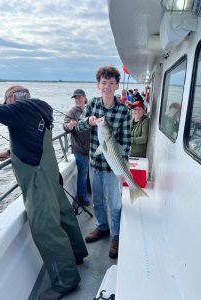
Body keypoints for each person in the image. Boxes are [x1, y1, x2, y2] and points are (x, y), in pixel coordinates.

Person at [0, 85, 88, 300]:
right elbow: (32, 139)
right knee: (65, 216)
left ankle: (66, 280)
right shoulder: (38, 108)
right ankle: (77, 253)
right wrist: (10, 152)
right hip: (50, 175)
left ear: (12, 98)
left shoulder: (19, 108)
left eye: (5, 100)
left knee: (45, 228)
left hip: (37, 181)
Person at [76, 66, 131, 259]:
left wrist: (121, 164)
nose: (106, 86)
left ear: (116, 85)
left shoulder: (124, 111)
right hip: (94, 164)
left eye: (111, 83)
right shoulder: (91, 104)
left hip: (112, 167)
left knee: (114, 204)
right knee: (97, 200)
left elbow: (125, 142)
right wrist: (89, 122)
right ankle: (101, 227)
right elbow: (79, 126)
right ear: (98, 85)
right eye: (103, 82)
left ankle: (116, 236)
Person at [63, 89, 90, 206]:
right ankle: (81, 196)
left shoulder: (90, 110)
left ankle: (89, 189)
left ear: (85, 98)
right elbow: (65, 127)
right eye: (75, 98)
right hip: (80, 150)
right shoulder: (72, 112)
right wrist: (69, 125)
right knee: (82, 174)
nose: (78, 100)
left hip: (92, 149)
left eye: (79, 97)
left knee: (90, 171)